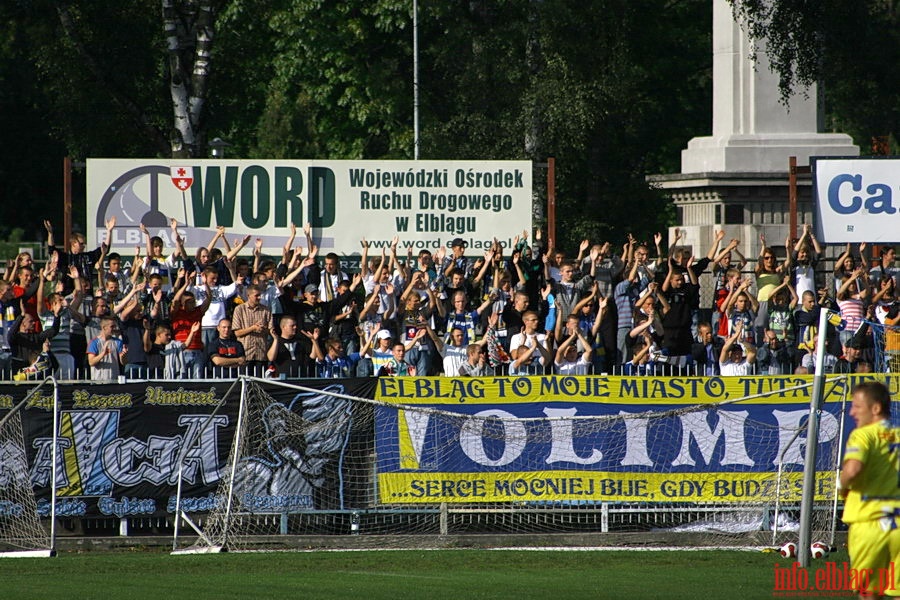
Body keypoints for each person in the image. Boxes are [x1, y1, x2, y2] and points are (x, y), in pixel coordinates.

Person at [839, 381, 900, 599]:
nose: (852, 412)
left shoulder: (863, 435)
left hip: (870, 524)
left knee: (870, 594)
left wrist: (841, 485)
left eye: (856, 406)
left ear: (875, 409)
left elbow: (853, 469)